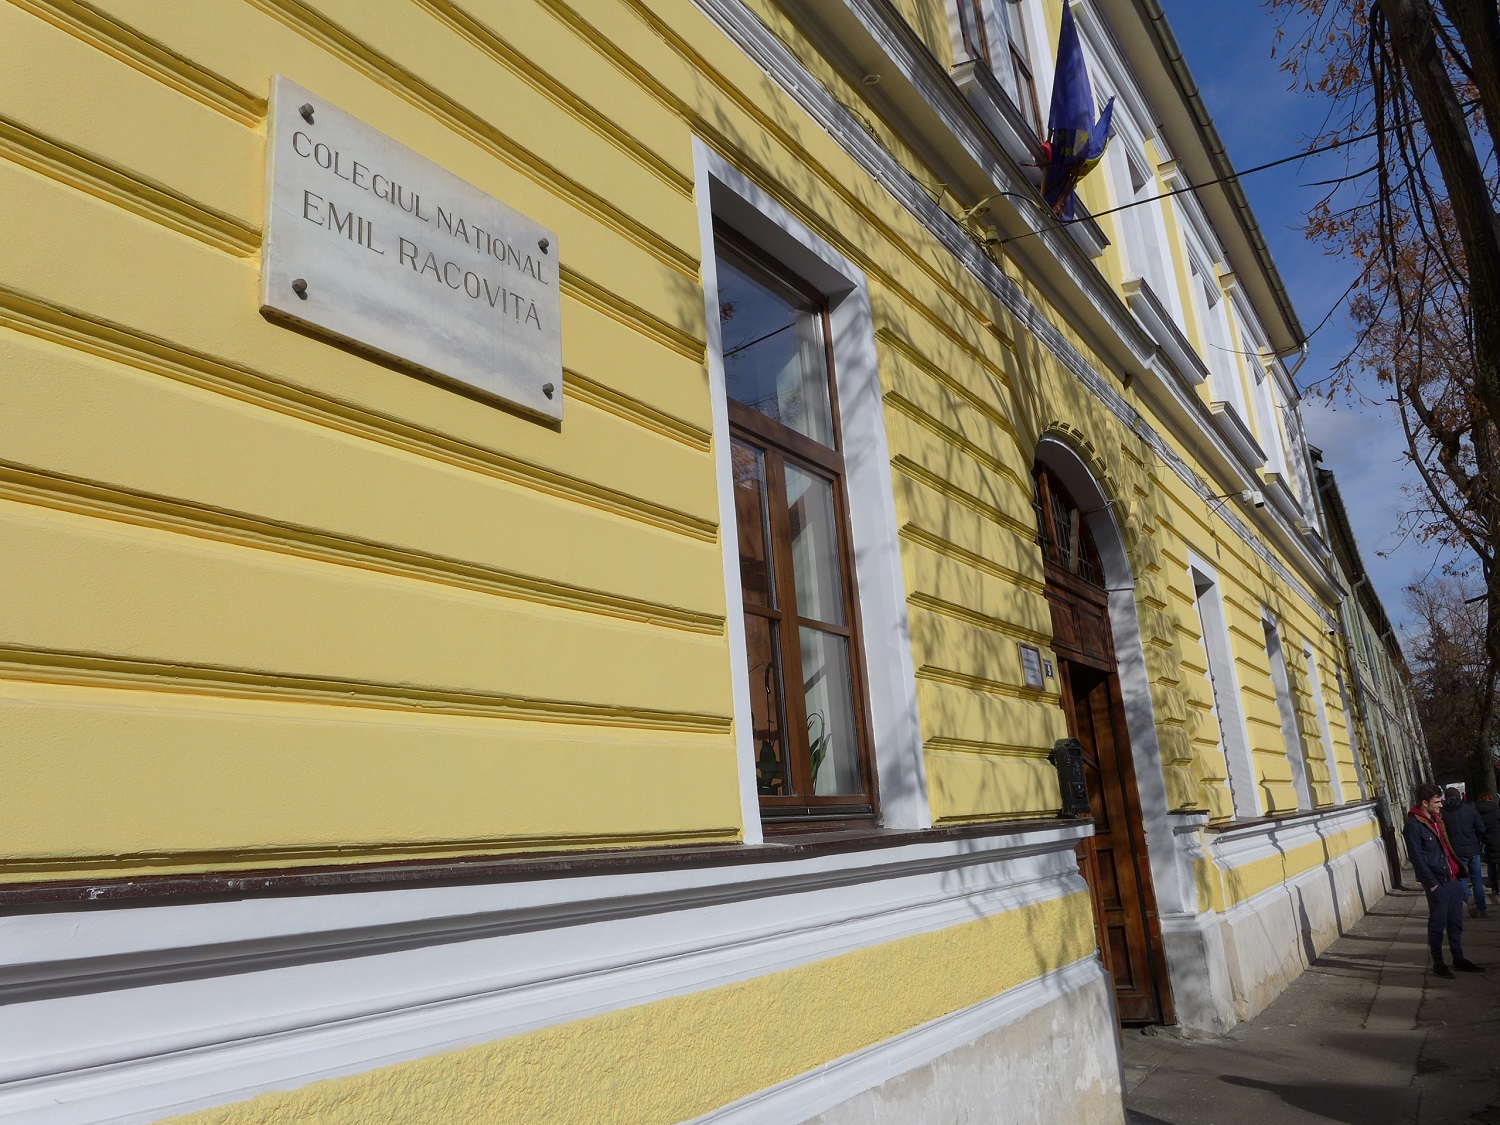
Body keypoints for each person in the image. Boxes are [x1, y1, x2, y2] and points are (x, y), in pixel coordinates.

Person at [1405, 783, 1485, 977]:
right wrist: (1431, 884)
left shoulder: (1436, 820)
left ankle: (1459, 958)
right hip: (1437, 881)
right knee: (1437, 924)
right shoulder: (1413, 826)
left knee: (1456, 923)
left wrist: (1458, 873)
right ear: (1424, 803)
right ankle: (1438, 964)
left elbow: (1446, 848)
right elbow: (1417, 858)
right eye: (1437, 801)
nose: (1441, 805)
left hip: (1453, 878)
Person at [1442, 787, 1488, 918]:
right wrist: (1478, 841)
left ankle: (1468, 897)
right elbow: (1481, 829)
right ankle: (1482, 908)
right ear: (1460, 796)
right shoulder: (1469, 810)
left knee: (1459, 877)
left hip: (1456, 851)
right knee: (1477, 879)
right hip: (1473, 848)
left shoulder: (1443, 813)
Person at [1477, 791, 1500, 898]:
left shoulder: (1478, 814)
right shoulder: (1497, 811)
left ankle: (1495, 887)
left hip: (1487, 842)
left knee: (1491, 865)